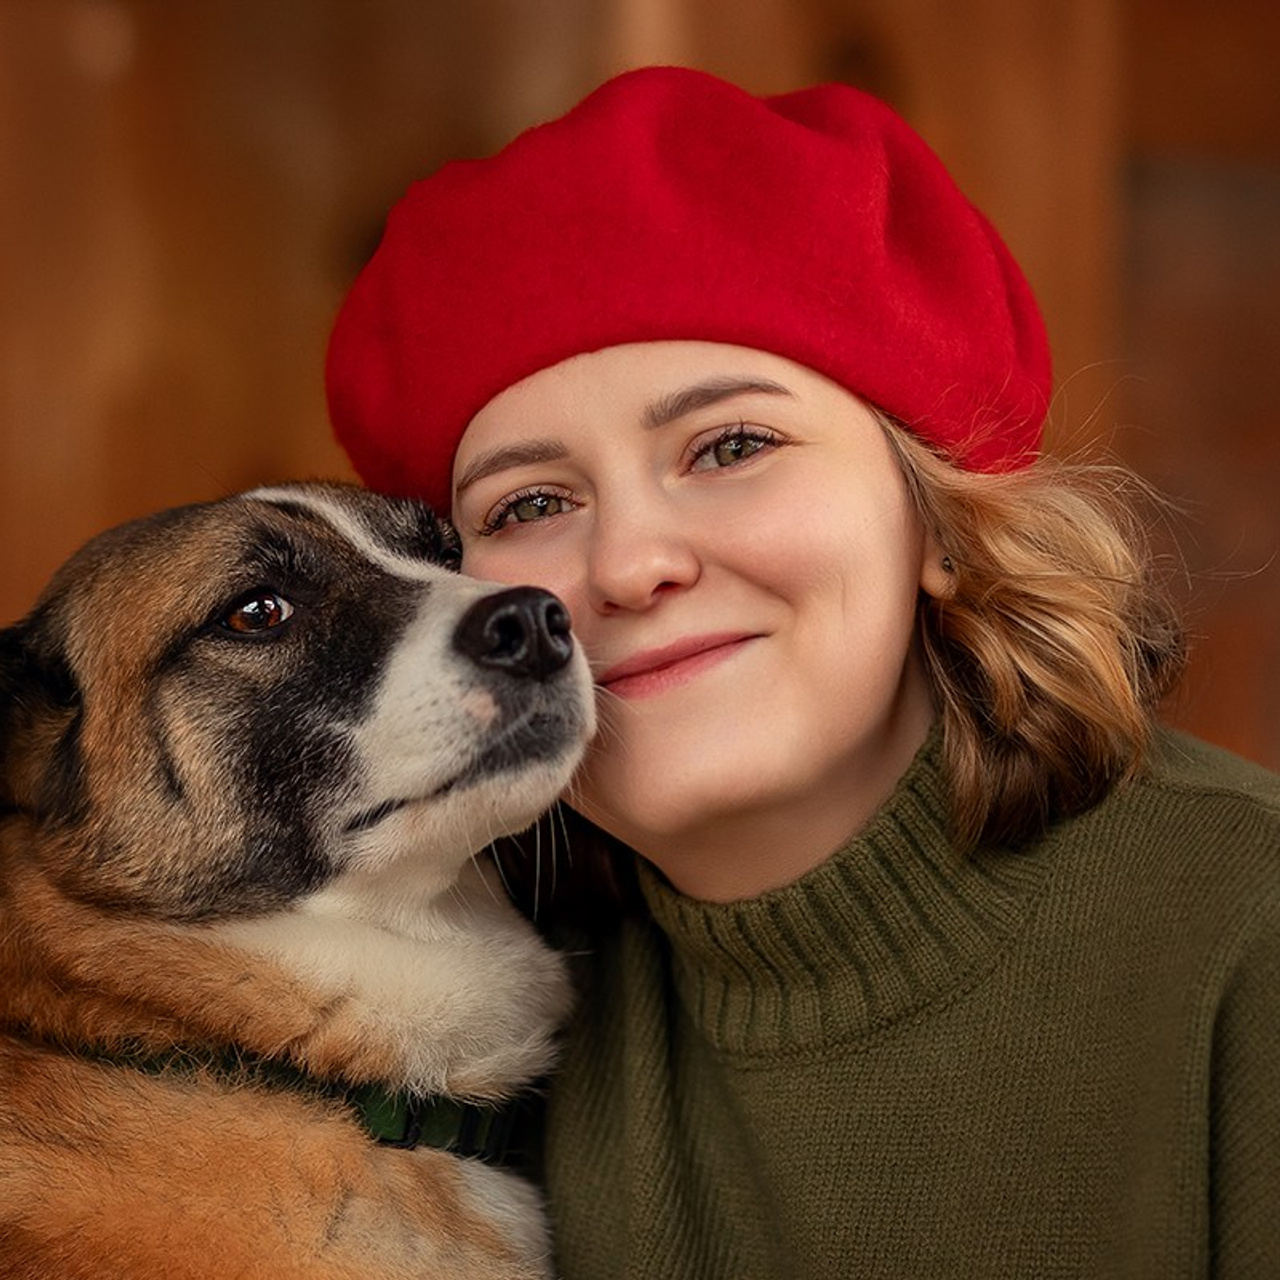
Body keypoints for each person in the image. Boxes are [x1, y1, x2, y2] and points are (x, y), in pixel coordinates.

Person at [325, 66, 1280, 1279]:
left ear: (936, 524)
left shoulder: (1245, 927)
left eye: (729, 445)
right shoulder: (451, 1028)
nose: (627, 562)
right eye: (529, 502)